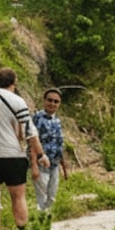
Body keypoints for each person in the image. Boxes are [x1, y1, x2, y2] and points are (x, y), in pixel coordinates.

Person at [0, 68, 47, 230]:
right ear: (14, 83)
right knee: (18, 196)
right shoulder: (17, 101)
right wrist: (41, 154)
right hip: (13, 155)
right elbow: (30, 132)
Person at [31, 88, 69, 218]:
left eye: (56, 101)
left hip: (54, 165)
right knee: (42, 197)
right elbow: (31, 142)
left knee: (52, 197)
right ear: (44, 100)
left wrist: (64, 166)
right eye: (50, 100)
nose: (52, 104)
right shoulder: (37, 118)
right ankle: (40, 228)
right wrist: (34, 166)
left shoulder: (57, 121)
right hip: (41, 163)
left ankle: (46, 225)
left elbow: (59, 143)